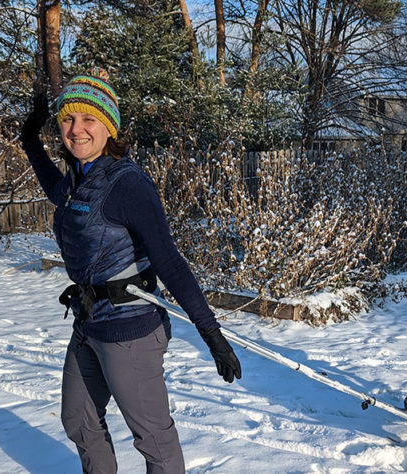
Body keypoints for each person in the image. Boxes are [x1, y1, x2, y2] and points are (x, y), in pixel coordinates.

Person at [20, 67, 241, 474]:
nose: (77, 129)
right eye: (69, 118)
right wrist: (29, 137)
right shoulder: (76, 181)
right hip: (88, 323)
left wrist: (211, 334)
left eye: (89, 120)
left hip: (130, 330)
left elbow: (170, 261)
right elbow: (53, 186)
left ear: (109, 128)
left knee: (154, 439)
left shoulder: (127, 184)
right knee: (79, 421)